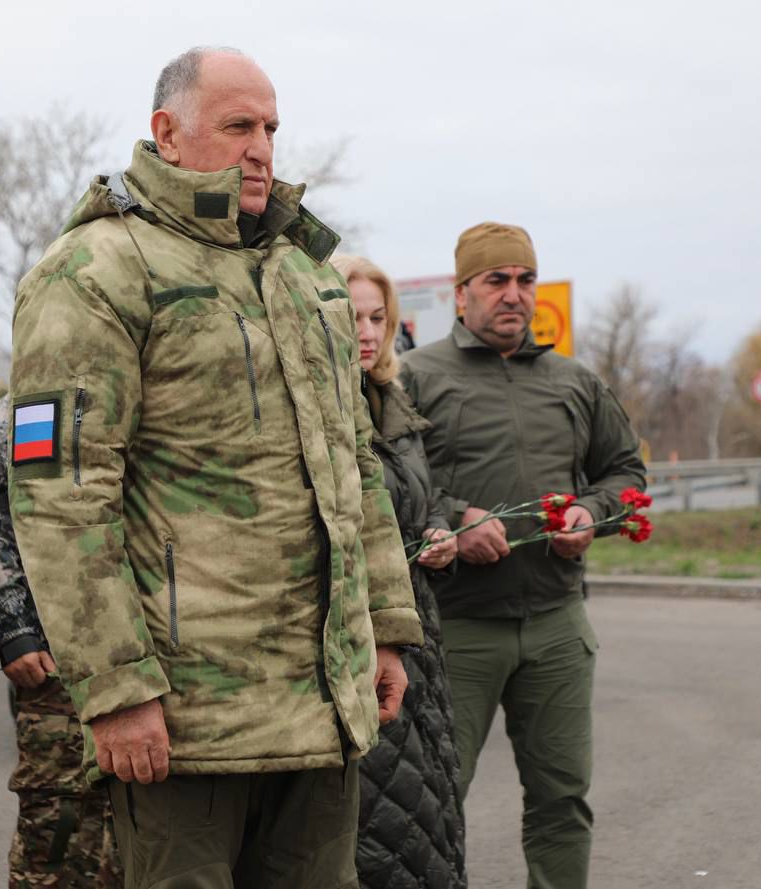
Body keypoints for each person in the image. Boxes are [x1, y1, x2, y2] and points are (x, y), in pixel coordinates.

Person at [9, 47, 423, 889]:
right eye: (239, 125)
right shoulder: (94, 271)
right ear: (166, 133)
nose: (263, 146)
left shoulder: (306, 277)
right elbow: (59, 499)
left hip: (319, 704)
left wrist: (385, 626)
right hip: (185, 720)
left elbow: (355, 472)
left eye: (271, 126)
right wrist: (117, 686)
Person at [401, 223, 646, 889]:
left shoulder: (574, 381)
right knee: (434, 805)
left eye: (525, 280)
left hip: (556, 624)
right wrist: (455, 518)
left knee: (562, 798)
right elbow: (390, 485)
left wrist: (590, 516)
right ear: (460, 295)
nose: (514, 294)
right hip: (457, 630)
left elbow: (626, 475)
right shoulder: (415, 378)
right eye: (496, 280)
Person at [331, 255, 467, 889]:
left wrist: (439, 532)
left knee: (428, 813)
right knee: (376, 831)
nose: (365, 330)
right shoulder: (318, 410)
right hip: (357, 638)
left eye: (376, 317)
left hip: (418, 634)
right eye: (351, 315)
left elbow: (418, 499)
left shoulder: (392, 402)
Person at [0, 393, 122, 889]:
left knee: (145, 838)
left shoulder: (159, 391)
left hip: (153, 654)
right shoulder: (33, 412)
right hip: (56, 659)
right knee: (56, 833)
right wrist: (14, 628)